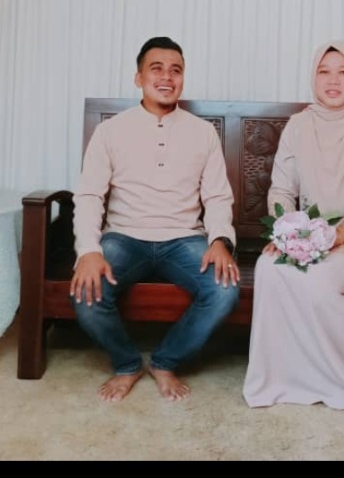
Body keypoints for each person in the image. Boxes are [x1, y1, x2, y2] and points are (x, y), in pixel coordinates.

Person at [70, 36, 241, 402]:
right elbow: (89, 195)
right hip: (123, 237)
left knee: (224, 289)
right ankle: (127, 364)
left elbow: (216, 196)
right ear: (139, 77)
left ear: (183, 78)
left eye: (175, 70)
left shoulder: (202, 132)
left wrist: (220, 240)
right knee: (85, 291)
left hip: (184, 238)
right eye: (156, 68)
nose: (167, 77)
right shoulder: (111, 130)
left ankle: (165, 362)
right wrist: (88, 250)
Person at [243, 42, 344, 413]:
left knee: (321, 277)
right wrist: (288, 232)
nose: (333, 81)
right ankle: (286, 379)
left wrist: (337, 237)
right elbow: (282, 189)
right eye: (324, 71)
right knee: (270, 267)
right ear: (313, 77)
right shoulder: (299, 125)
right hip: (311, 238)